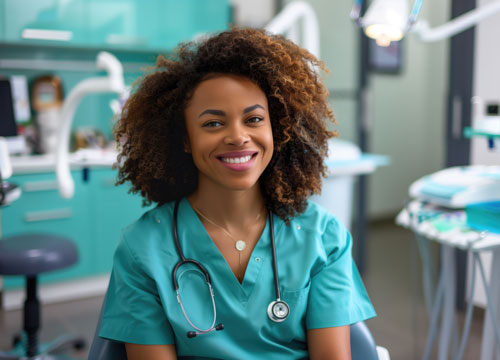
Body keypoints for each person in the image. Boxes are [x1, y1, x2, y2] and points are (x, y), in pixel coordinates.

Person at [99, 28, 376, 360]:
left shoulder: (323, 238)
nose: (238, 136)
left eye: (254, 119)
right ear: (185, 139)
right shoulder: (143, 249)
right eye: (213, 123)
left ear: (277, 128)